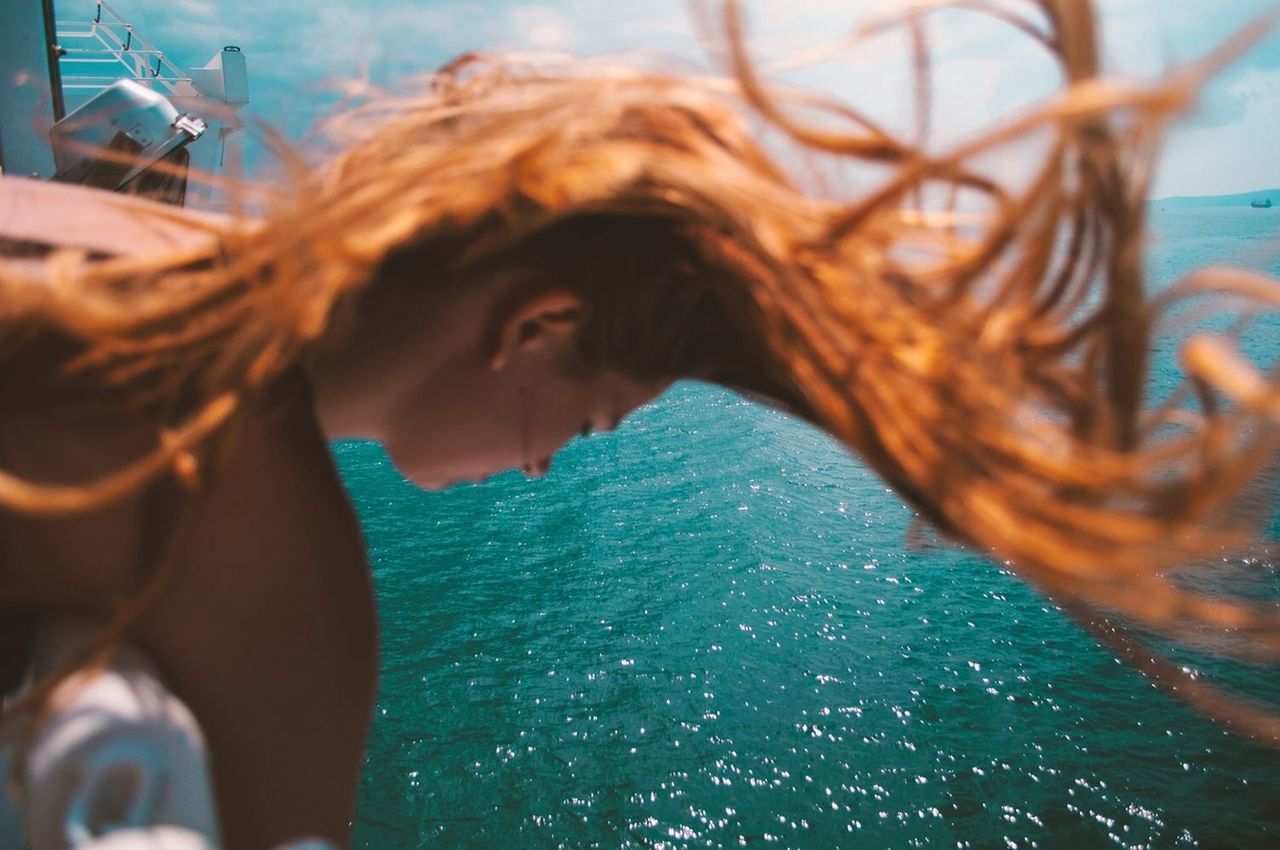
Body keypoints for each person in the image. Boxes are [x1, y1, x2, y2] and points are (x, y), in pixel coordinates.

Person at [1, 1, 1277, 847]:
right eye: (593, 419)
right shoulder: (267, 541)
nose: (547, 460)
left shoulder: (92, 236)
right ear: (534, 328)